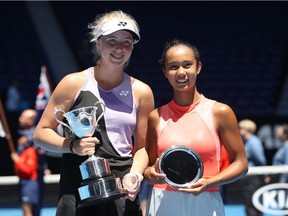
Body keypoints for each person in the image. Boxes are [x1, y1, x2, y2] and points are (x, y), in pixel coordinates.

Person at [33, 10, 154, 216]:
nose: (119, 48)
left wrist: (135, 175)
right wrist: (72, 146)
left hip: (122, 187)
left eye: (127, 42)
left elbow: (142, 147)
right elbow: (40, 134)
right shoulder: (73, 83)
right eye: (112, 40)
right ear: (98, 43)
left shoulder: (142, 91)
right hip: (76, 185)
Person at [144, 39, 248, 216]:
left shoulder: (220, 112)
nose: (181, 72)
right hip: (162, 202)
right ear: (165, 72)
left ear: (198, 67)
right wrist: (150, 175)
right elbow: (148, 166)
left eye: (187, 65)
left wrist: (211, 181)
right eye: (173, 67)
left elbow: (241, 163)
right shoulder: (155, 117)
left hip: (206, 202)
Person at [10, 109, 39, 216]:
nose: (19, 119)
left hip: (30, 180)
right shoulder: (23, 139)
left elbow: (29, 169)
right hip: (24, 180)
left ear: (31, 121)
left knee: (28, 210)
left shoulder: (32, 148)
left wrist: (17, 160)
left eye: (23, 117)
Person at [239, 119, 267, 216]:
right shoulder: (246, 142)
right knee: (249, 204)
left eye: (240, 128)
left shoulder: (254, 142)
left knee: (253, 205)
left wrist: (265, 174)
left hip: (254, 178)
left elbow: (261, 160)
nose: (239, 130)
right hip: (248, 178)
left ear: (247, 129)